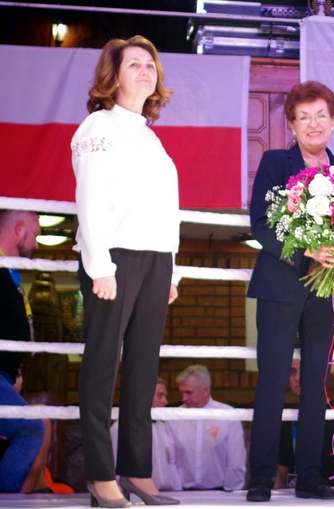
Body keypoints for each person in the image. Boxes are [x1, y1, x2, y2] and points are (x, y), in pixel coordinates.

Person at [71, 35, 181, 507]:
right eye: (133, 64)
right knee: (102, 367)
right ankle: (100, 476)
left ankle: (136, 470)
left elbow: (165, 209)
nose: (145, 70)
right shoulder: (98, 125)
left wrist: (171, 270)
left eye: (150, 64)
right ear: (112, 76)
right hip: (114, 258)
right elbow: (91, 199)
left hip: (155, 260)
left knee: (143, 368)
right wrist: (100, 265)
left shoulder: (149, 136)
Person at [246, 80, 334, 503]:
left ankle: (310, 475)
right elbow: (260, 224)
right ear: (291, 124)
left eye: (321, 115)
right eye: (303, 117)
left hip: (326, 290)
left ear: (333, 120)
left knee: (316, 384)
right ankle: (261, 478)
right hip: (279, 285)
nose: (313, 124)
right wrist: (307, 250)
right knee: (273, 381)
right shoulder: (275, 162)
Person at [0, 210, 47, 494]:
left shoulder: (8, 270)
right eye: (36, 235)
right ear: (19, 229)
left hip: (5, 375)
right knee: (30, 428)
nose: (37, 244)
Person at [275, 359, 334, 488]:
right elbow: (281, 478)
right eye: (292, 371)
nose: (298, 377)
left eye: (304, 370)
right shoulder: (288, 417)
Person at [168, 365, 246, 492]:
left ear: (205, 390)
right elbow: (170, 461)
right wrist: (177, 491)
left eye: (189, 393)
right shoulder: (174, 417)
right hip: (182, 493)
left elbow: (235, 460)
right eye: (182, 392)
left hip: (221, 493)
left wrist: (231, 492)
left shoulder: (228, 415)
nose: (183, 398)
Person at [111, 378, 181, 492]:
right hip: (136, 494)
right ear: (144, 397)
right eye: (160, 395)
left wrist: (178, 490)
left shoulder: (162, 426)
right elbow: (115, 468)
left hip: (167, 492)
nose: (165, 402)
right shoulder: (120, 428)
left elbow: (171, 462)